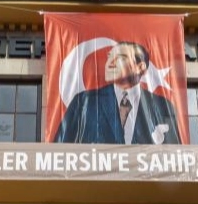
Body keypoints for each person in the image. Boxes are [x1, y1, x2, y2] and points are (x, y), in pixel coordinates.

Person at [53, 41, 182, 145]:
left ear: (140, 67)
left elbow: (174, 156)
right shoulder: (84, 101)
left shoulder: (162, 106)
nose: (110, 63)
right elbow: (58, 151)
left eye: (120, 58)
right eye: (109, 57)